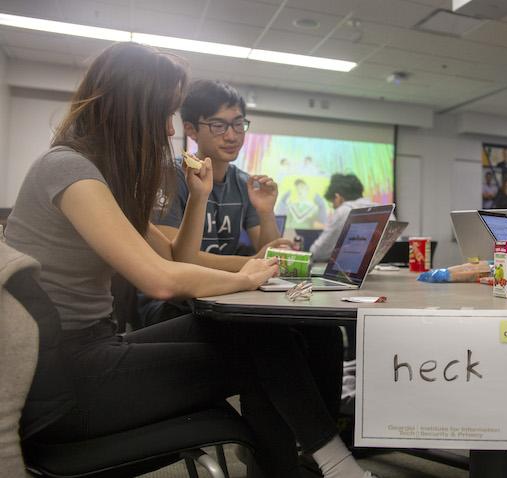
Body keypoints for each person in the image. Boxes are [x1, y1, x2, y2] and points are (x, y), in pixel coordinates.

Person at [3, 42, 374, 478]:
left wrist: (198, 198)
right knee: (263, 349)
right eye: (163, 113)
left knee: (259, 332)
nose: (166, 129)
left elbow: (174, 256)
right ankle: (330, 462)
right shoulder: (68, 170)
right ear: (131, 111)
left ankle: (322, 461)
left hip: (92, 350)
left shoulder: (96, 174)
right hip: (64, 387)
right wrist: (246, 276)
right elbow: (160, 280)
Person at [139, 79, 290, 326]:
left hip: (222, 293)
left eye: (238, 124)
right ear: (191, 130)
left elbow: (267, 253)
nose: (232, 136)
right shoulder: (170, 176)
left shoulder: (244, 182)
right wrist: (250, 264)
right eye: (218, 125)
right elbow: (174, 259)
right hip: (171, 303)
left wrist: (266, 212)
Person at [310, 174, 378, 261]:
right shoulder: (386, 210)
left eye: (332, 203)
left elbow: (319, 252)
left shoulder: (344, 211)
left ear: (338, 197)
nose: (334, 207)